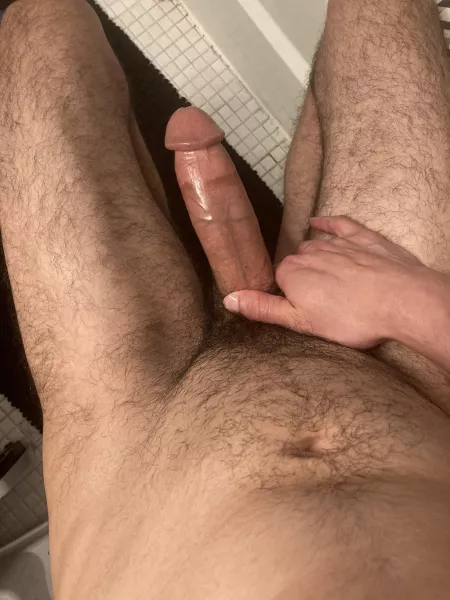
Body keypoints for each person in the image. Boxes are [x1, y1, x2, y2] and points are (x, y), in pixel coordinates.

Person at [0, 0, 449, 598]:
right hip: (422, 375)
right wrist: (413, 303)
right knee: (387, 15)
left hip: (132, 443)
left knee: (38, 37)